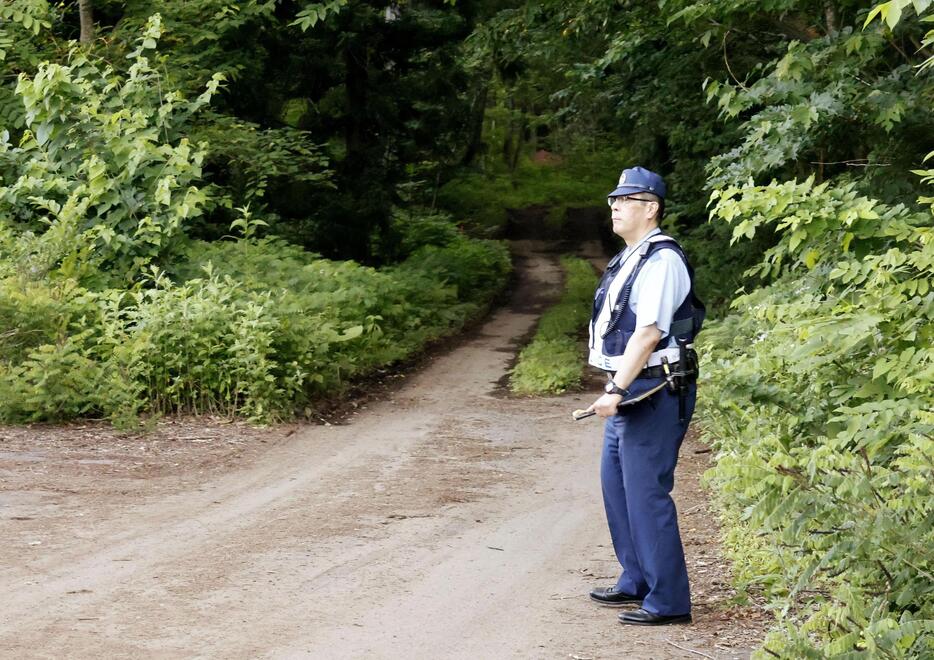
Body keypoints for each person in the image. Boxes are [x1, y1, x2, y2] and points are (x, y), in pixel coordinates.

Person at [584, 166, 704, 626]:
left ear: (650, 208)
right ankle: (635, 578)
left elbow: (650, 332)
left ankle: (668, 600)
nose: (614, 205)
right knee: (617, 489)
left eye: (626, 199)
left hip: (654, 388)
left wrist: (615, 389)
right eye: (613, 198)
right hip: (633, 386)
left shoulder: (662, 260)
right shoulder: (632, 255)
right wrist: (617, 385)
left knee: (646, 494)